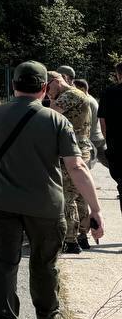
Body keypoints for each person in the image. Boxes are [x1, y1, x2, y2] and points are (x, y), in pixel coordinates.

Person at [0, 62, 105, 319]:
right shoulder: (56, 121)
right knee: (44, 264)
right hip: (46, 207)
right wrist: (95, 209)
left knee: (3, 268)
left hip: (1, 204)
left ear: (14, 85)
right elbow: (76, 167)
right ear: (43, 89)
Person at [47, 72, 93, 253]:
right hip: (80, 148)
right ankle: (82, 235)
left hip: (73, 150)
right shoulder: (76, 94)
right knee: (80, 194)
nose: (47, 91)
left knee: (68, 195)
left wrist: (50, 99)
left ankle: (71, 240)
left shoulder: (70, 95)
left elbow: (50, 114)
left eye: (48, 87)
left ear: (57, 81)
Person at [97, 61, 122, 193]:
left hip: (117, 146)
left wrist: (109, 141)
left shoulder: (108, 93)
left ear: (118, 74)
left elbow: (103, 122)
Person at [74, 78, 106, 172]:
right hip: (98, 136)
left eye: (75, 88)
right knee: (107, 161)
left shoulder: (86, 101)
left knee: (85, 166)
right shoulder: (91, 99)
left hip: (92, 138)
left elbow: (86, 121)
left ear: (82, 89)